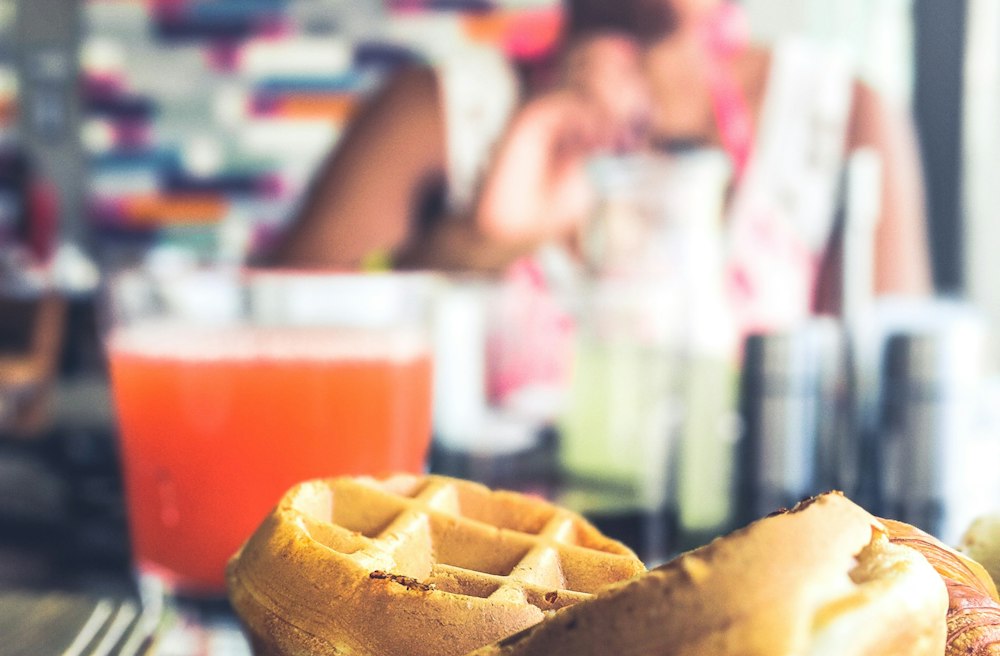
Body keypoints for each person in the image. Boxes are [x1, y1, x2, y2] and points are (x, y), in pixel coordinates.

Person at [264, 0, 931, 328]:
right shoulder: (432, 112)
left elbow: (894, 422)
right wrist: (480, 241)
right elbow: (276, 350)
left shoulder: (844, 118)